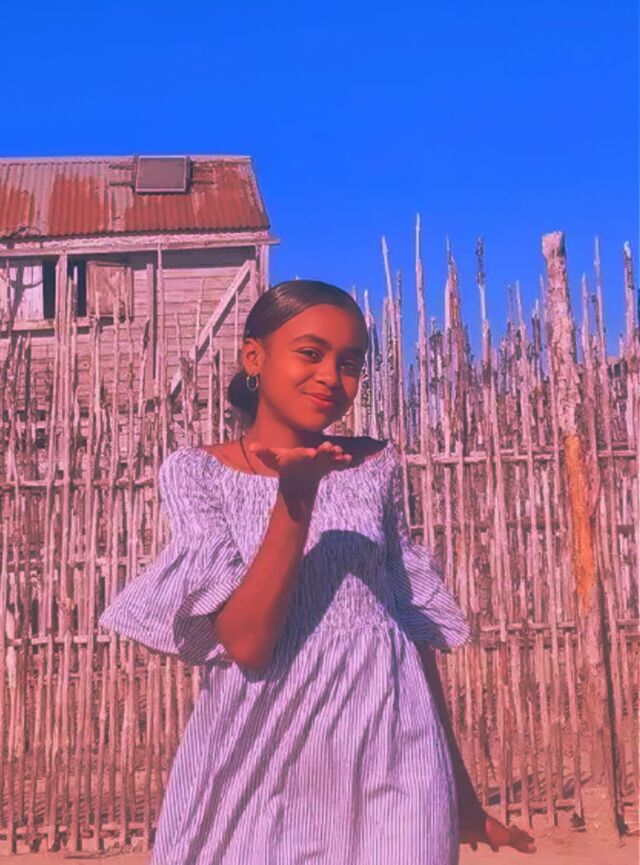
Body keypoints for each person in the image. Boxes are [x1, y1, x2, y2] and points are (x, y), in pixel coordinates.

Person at [99, 280, 535, 864]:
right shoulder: (199, 473)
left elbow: (404, 630)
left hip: (391, 747)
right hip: (260, 759)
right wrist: (295, 499)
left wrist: (461, 797)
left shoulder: (374, 465)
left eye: (349, 363)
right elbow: (248, 644)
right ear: (254, 357)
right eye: (310, 353)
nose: (331, 375)